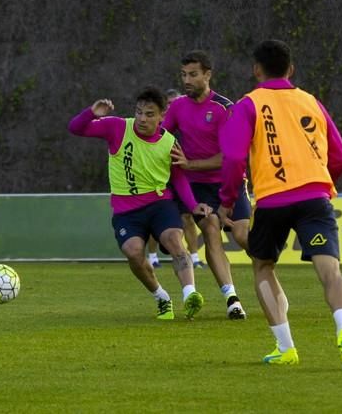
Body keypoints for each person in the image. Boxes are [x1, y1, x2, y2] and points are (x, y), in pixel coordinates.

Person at [217, 39, 342, 370]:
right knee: (331, 273)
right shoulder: (311, 101)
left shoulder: (248, 104)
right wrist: (321, 182)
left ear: (256, 69)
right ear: (291, 69)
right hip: (315, 197)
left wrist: (226, 201)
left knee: (263, 266)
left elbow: (233, 158)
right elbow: (341, 157)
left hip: (272, 199)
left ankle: (286, 347)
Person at [68, 87, 211, 320]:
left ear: (163, 116)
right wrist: (91, 113)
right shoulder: (117, 127)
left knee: (175, 241)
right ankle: (161, 297)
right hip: (127, 211)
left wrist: (193, 204)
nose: (142, 118)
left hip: (160, 204)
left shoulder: (169, 141)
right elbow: (75, 128)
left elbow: (178, 177)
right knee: (133, 253)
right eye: (139, 112)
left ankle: (190, 295)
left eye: (150, 114)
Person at [164, 50, 250, 320]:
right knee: (211, 227)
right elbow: (160, 138)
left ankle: (267, 276)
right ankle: (232, 298)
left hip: (229, 184)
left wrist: (190, 164)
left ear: (208, 75)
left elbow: (229, 156)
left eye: (193, 74)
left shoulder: (225, 107)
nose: (186, 80)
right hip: (197, 188)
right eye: (183, 75)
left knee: (242, 237)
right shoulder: (177, 107)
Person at [147, 88, 203, 269]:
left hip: (182, 177)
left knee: (188, 217)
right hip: (161, 179)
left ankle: (194, 257)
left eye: (176, 103)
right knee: (155, 218)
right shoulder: (158, 129)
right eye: (170, 104)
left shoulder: (186, 127)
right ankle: (152, 256)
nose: (174, 107)